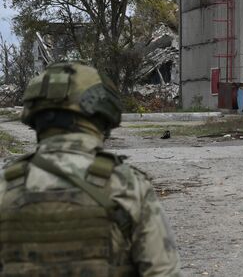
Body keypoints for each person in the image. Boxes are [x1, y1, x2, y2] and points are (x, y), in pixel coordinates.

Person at [0, 62, 182, 276]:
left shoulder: (6, 187)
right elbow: (162, 271)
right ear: (103, 116)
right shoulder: (126, 186)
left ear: (35, 118)